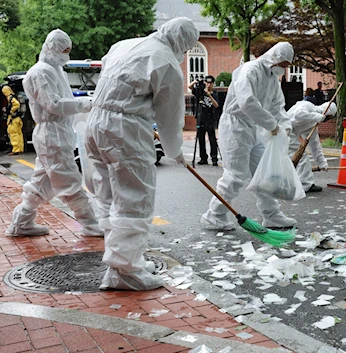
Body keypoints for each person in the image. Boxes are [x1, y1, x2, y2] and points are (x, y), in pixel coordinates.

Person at [85, 17, 199, 291]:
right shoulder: (167, 63)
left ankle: (125, 260)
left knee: (109, 197)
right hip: (124, 129)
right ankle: (125, 271)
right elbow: (170, 118)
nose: (184, 55)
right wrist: (176, 152)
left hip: (95, 122)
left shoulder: (125, 44)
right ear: (182, 43)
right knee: (134, 199)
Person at [5, 29, 101, 237]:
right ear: (53, 48)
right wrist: (87, 104)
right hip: (52, 134)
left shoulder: (54, 70)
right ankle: (91, 224)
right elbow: (54, 104)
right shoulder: (41, 72)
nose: (66, 54)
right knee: (69, 180)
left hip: (57, 133)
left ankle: (20, 223)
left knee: (41, 183)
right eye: (64, 50)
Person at [201, 42, 297, 231]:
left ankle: (272, 215)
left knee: (264, 173)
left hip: (255, 127)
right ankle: (214, 215)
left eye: (287, 66)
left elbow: (278, 106)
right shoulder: (250, 70)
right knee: (236, 175)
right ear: (274, 57)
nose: (284, 69)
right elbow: (247, 102)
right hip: (235, 126)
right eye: (283, 64)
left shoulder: (272, 79)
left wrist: (285, 126)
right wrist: (272, 124)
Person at [288, 101, 336, 193]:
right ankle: (304, 184)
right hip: (285, 130)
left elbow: (315, 145)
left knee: (295, 158)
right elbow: (299, 114)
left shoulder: (313, 124)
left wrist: (322, 163)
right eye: (328, 117)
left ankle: (294, 182)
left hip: (289, 134)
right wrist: (317, 117)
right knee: (302, 157)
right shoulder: (308, 106)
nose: (327, 120)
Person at [188, 75, 219, 166]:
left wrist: (210, 96)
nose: (209, 85)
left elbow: (216, 105)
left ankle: (214, 158)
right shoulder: (200, 93)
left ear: (213, 84)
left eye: (210, 83)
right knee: (201, 139)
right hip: (201, 119)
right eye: (207, 83)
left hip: (210, 119)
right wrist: (196, 81)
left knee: (212, 139)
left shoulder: (214, 94)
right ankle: (203, 158)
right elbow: (190, 87)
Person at [2, 85, 24, 155]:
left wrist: (11, 111)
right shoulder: (14, 96)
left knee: (13, 133)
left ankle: (16, 150)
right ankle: (20, 148)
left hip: (13, 119)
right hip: (18, 118)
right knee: (19, 133)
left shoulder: (10, 98)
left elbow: (16, 104)